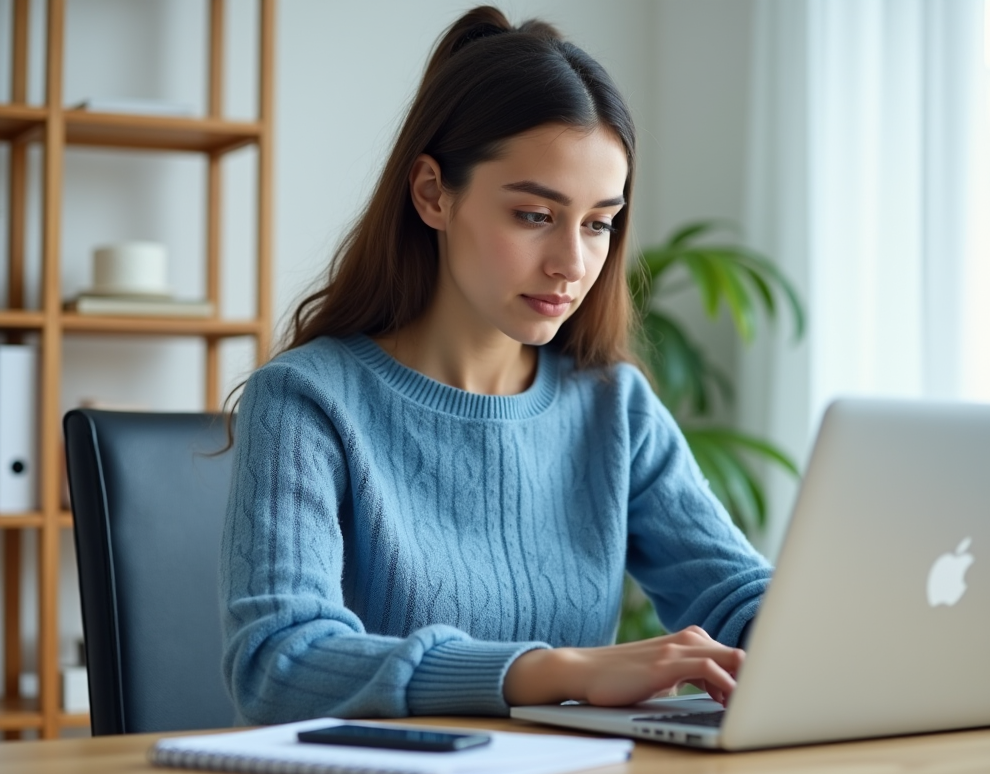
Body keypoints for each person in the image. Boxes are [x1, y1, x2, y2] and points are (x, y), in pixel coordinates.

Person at [221, 6, 772, 724]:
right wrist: (556, 671)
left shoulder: (614, 408)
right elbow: (279, 663)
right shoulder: (306, 402)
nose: (572, 263)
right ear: (432, 194)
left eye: (599, 223)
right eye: (535, 216)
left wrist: (825, 640)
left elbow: (735, 596)